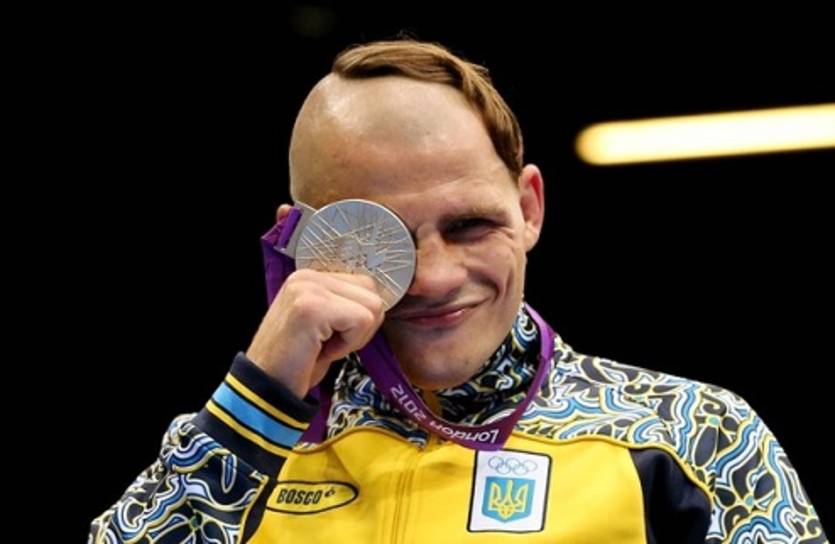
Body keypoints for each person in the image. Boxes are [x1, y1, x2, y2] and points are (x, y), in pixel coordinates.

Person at [89, 39, 827, 543]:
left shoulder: (691, 436)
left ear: (529, 208)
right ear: (305, 241)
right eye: (379, 236)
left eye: (470, 225)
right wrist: (255, 403)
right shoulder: (234, 448)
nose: (434, 277)